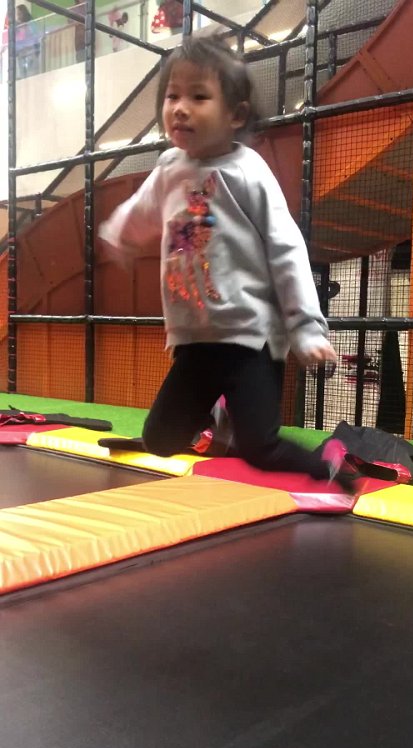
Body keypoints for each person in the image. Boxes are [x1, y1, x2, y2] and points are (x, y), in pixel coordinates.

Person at [99, 35, 353, 491]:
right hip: (195, 339)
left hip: (249, 338)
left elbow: (286, 247)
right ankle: (216, 414)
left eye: (199, 97)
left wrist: (306, 327)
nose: (180, 109)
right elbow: (139, 211)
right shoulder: (169, 168)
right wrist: (117, 234)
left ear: (235, 115)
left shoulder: (246, 170)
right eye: (172, 96)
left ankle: (327, 466)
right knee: (160, 439)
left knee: (260, 449)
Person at [15, 4, 39, 78]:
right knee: (22, 73)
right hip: (21, 52)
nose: (18, 16)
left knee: (31, 73)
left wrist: (24, 26)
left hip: (30, 50)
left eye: (19, 14)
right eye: (17, 14)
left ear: (24, 13)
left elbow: (35, 34)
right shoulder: (17, 25)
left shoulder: (31, 22)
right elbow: (16, 39)